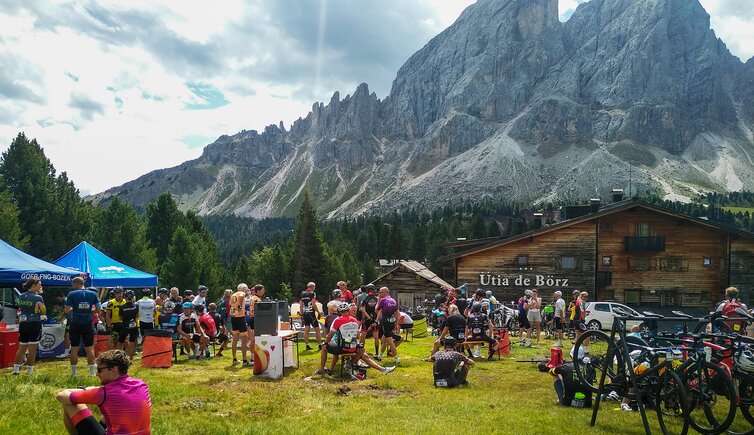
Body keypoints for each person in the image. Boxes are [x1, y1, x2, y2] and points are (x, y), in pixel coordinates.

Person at [55, 349, 151, 435]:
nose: (96, 373)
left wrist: (87, 389)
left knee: (69, 404)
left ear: (113, 370)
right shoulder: (142, 385)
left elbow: (61, 396)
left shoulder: (104, 393)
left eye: (99, 370)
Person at [315, 302, 396, 378]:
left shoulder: (338, 320)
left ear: (340, 312)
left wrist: (325, 342)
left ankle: (322, 369)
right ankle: (382, 369)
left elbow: (330, 335)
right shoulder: (355, 321)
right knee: (363, 354)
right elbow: (357, 335)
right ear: (348, 311)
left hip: (342, 348)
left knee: (324, 347)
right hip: (352, 347)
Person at [65, 277, 101, 377]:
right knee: (89, 348)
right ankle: (92, 373)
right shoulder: (93, 294)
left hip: (75, 324)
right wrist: (89, 310)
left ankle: (74, 373)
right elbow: (98, 310)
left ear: (76, 284)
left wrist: (74, 308)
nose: (72, 287)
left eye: (73, 284)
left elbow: (67, 310)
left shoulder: (71, 294)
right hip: (88, 324)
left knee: (74, 348)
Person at [13, 278, 46, 375]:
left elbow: (19, 310)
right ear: (34, 285)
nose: (40, 286)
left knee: (22, 348)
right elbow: (43, 311)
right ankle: (30, 372)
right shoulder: (38, 297)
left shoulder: (21, 296)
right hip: (34, 324)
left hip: (23, 324)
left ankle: (15, 370)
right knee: (32, 348)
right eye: (39, 284)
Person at [376, 287, 400, 364]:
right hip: (392, 322)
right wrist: (396, 324)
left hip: (385, 323)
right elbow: (397, 313)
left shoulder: (383, 300)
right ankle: (380, 356)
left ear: (385, 292)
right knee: (385, 339)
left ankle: (396, 359)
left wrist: (378, 301)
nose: (380, 294)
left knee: (390, 341)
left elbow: (377, 310)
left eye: (381, 292)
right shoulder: (393, 300)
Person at [229, 284, 250, 365]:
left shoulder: (233, 295)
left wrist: (234, 312)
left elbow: (230, 305)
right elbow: (241, 296)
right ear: (242, 288)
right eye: (246, 289)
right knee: (244, 339)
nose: (246, 291)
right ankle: (244, 360)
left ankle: (234, 359)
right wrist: (240, 307)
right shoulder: (241, 293)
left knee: (235, 338)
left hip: (234, 317)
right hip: (240, 318)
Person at [300, 282, 322, 351]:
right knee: (317, 330)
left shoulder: (302, 294)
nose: (314, 288)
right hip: (311, 313)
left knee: (306, 330)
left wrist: (301, 314)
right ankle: (320, 345)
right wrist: (318, 312)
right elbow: (313, 304)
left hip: (305, 313)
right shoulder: (312, 294)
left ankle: (307, 345)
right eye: (314, 287)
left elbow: (301, 304)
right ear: (311, 287)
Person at [359, 284, 380, 356]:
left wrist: (369, 318)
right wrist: (375, 320)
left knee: (363, 335)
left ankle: (361, 352)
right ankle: (377, 353)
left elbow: (363, 311)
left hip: (367, 319)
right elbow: (379, 310)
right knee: (376, 336)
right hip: (375, 319)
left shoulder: (364, 300)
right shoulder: (377, 299)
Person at [117, 290, 139, 358]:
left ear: (125, 298)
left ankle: (118, 357)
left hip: (125, 325)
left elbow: (120, 318)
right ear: (133, 297)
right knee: (132, 342)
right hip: (133, 325)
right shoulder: (136, 306)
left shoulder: (122, 307)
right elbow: (137, 315)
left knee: (120, 342)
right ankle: (130, 358)